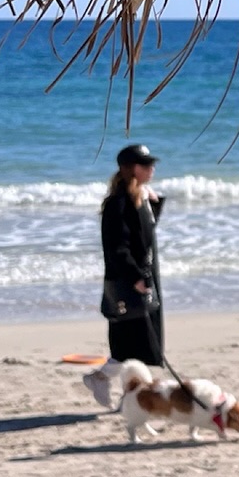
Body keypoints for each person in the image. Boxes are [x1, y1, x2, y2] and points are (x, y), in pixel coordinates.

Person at [84, 142, 165, 410]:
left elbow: (144, 236)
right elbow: (117, 247)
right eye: (146, 165)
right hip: (127, 282)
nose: (152, 169)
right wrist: (136, 277)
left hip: (142, 278)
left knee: (141, 344)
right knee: (131, 344)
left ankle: (129, 398)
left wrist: (152, 204)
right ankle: (101, 379)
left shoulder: (138, 198)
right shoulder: (117, 203)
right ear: (131, 169)